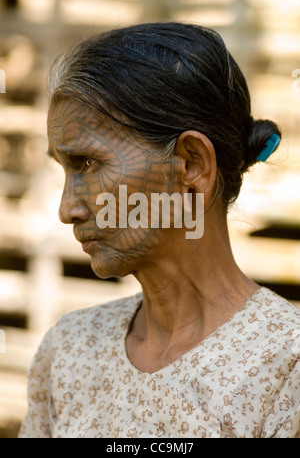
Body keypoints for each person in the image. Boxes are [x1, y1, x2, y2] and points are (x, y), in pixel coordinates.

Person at [19, 23, 299, 438]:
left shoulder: (285, 367)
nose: (67, 209)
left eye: (87, 164)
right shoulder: (70, 350)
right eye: (64, 169)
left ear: (191, 166)